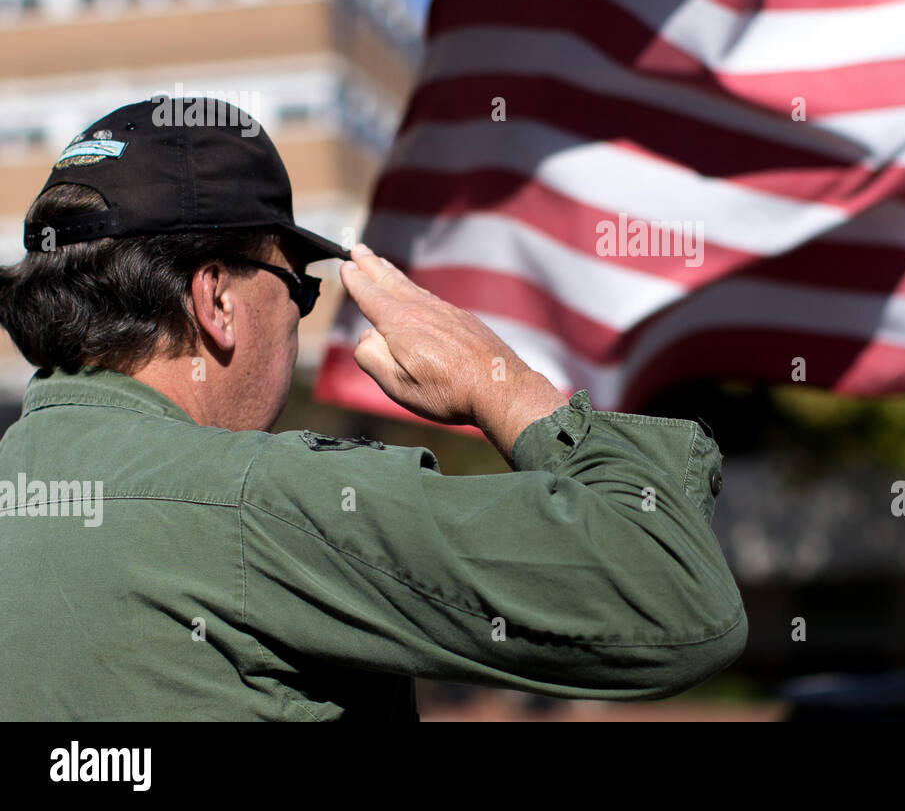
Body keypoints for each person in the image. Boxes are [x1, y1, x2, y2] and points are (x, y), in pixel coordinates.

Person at [0, 99, 746, 721]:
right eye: (300, 286)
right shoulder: (256, 502)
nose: (301, 317)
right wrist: (502, 384)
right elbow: (674, 599)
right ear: (217, 299)